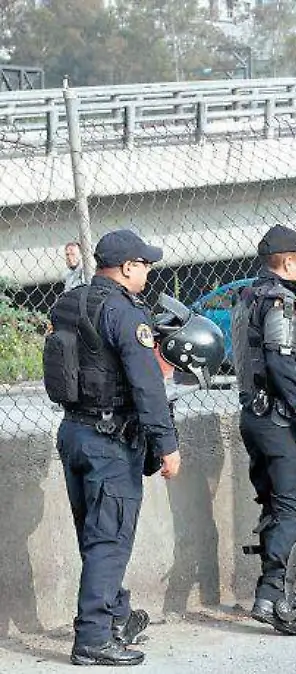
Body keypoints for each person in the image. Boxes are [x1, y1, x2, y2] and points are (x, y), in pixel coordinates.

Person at [44, 229, 181, 666]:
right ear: (126, 268)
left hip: (73, 433)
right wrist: (167, 445)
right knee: (110, 538)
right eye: (144, 265)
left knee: (96, 533)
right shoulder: (124, 313)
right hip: (110, 442)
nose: (146, 273)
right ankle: (93, 638)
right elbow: (148, 386)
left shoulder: (70, 302)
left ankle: (116, 616)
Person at [231, 225, 296, 636]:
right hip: (279, 417)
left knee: (275, 504)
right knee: (293, 504)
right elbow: (281, 361)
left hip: (253, 415)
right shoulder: (281, 302)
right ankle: (272, 595)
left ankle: (285, 586)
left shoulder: (247, 296)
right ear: (287, 261)